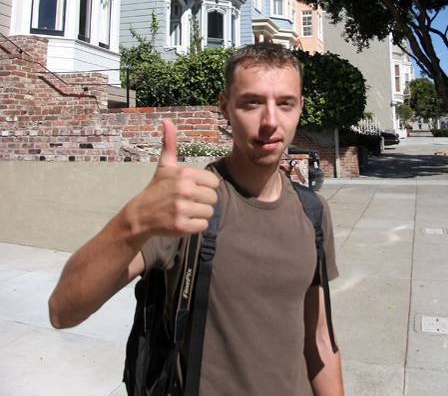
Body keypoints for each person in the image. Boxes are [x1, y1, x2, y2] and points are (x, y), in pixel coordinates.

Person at [49, 43, 344, 395]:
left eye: (285, 103)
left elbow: (319, 340)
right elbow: (63, 311)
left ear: (300, 108)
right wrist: (133, 220)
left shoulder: (313, 212)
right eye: (251, 103)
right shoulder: (189, 205)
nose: (270, 121)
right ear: (225, 108)